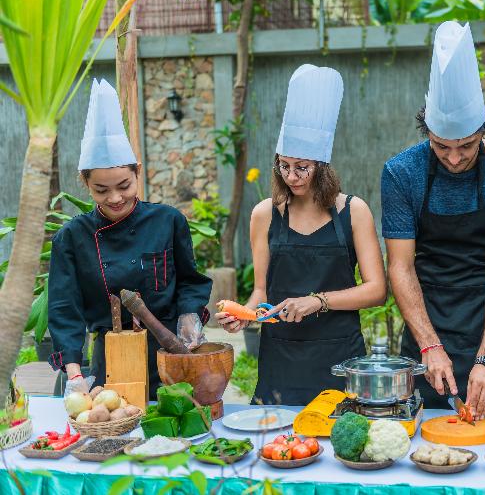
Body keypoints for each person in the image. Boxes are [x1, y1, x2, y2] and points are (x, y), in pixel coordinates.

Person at [382, 21, 485, 419]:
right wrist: (429, 346)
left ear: (484, 127)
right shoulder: (401, 173)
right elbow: (400, 266)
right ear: (426, 131)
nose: (453, 158)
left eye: (465, 146)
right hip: (426, 319)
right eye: (440, 146)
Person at [216, 64, 386, 405]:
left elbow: (376, 290)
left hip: (340, 357)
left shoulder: (354, 211)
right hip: (280, 358)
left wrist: (318, 301)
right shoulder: (265, 214)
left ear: (322, 165)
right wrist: (244, 316)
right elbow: (262, 290)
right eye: (284, 165)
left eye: (302, 168)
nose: (291, 176)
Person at [49, 79, 212, 399]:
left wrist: (189, 316)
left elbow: (190, 281)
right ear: (85, 183)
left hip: (170, 357)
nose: (115, 198)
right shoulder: (72, 238)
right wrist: (74, 373)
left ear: (137, 171)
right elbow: (64, 309)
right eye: (101, 190)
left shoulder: (168, 221)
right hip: (109, 362)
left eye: (124, 185)